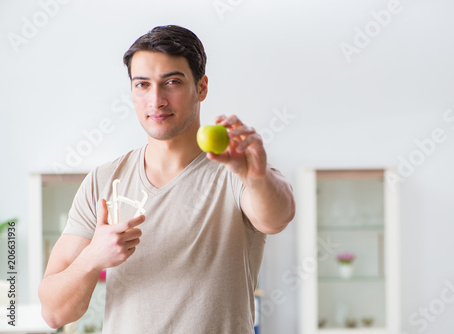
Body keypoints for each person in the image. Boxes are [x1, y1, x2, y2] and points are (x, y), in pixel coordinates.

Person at [38, 25, 295, 333]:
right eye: (142, 85)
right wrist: (91, 258)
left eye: (171, 82)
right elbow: (54, 313)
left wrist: (255, 177)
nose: (156, 100)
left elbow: (278, 217)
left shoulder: (238, 170)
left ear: (201, 87)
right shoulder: (103, 180)